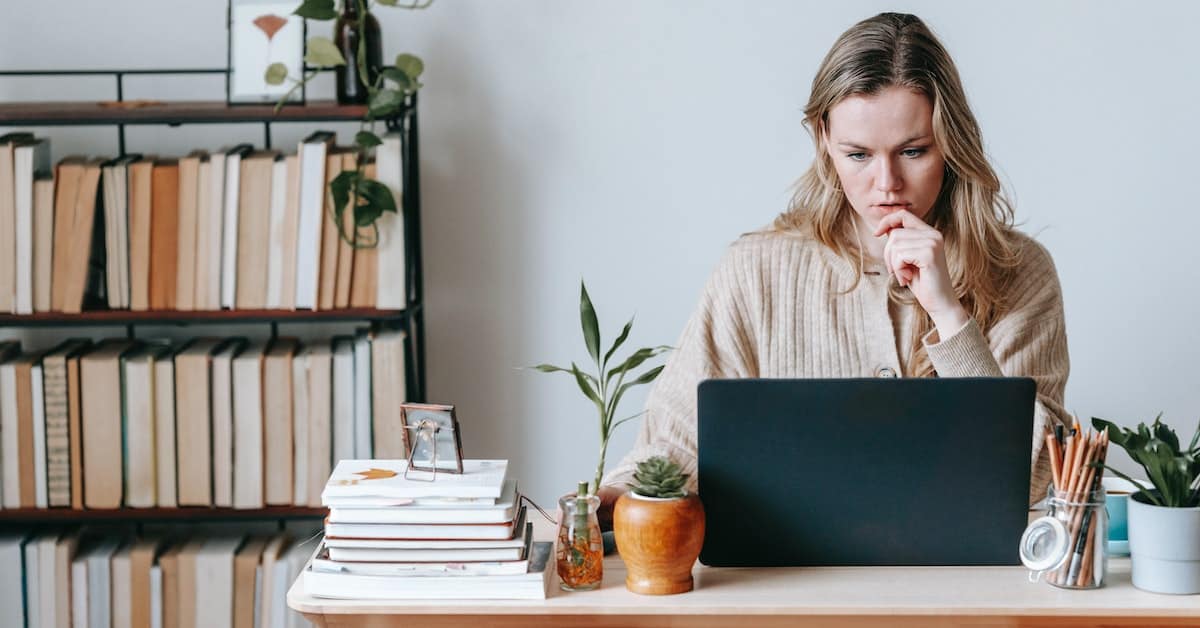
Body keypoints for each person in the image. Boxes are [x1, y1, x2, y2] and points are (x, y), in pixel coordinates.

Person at [598, 12, 1070, 529]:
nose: (886, 183)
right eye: (858, 154)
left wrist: (950, 315)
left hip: (963, 587)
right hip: (790, 585)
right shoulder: (756, 271)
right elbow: (675, 439)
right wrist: (604, 505)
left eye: (913, 151)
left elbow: (1039, 477)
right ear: (824, 139)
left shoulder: (1019, 270)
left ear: (951, 143)